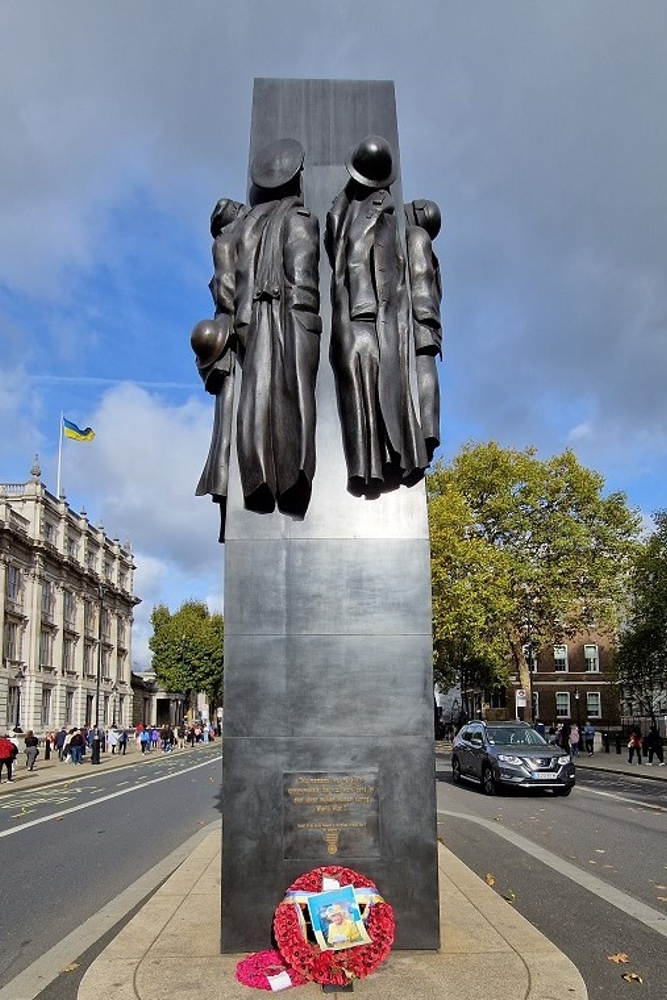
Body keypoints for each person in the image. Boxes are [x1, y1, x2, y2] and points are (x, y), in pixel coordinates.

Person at [326, 135, 428, 499]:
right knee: (354, 390)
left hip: (376, 315)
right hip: (351, 312)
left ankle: (390, 461)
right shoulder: (343, 209)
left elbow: (388, 269)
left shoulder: (385, 211)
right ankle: (364, 467)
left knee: (381, 392)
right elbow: (336, 235)